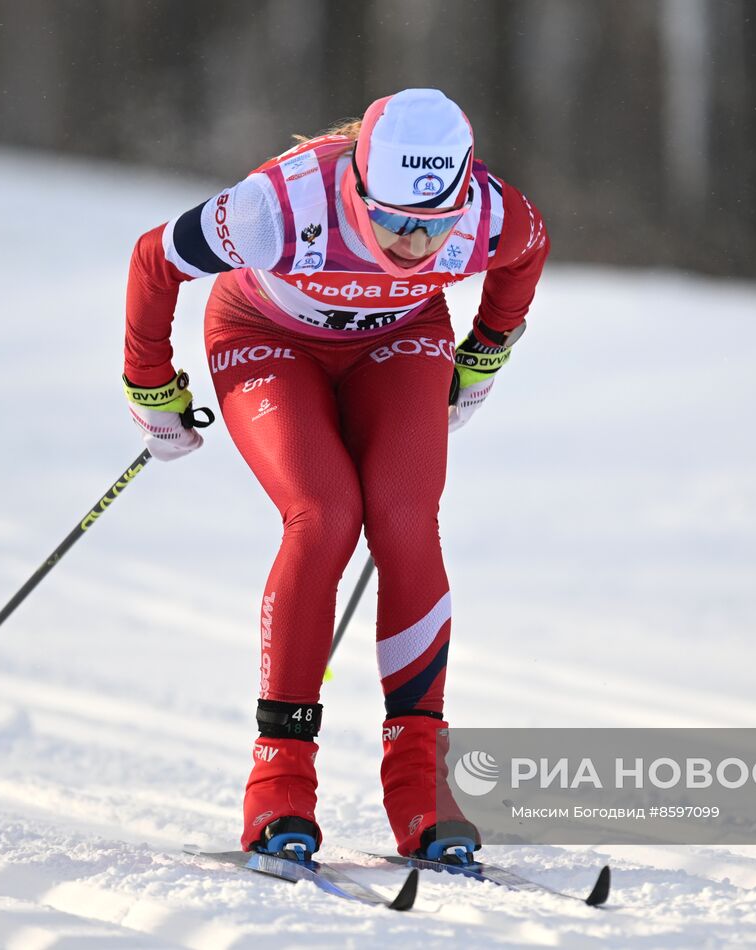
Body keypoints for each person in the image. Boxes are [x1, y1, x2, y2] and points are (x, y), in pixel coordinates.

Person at [120, 88, 548, 863]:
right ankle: (280, 781)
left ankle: (420, 783)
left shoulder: (489, 212)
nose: (415, 246)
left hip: (401, 337)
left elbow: (525, 255)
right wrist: (150, 382)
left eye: (434, 225)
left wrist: (484, 353)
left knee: (406, 516)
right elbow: (155, 258)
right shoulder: (277, 208)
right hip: (266, 337)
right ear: (355, 189)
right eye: (391, 222)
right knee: (325, 516)